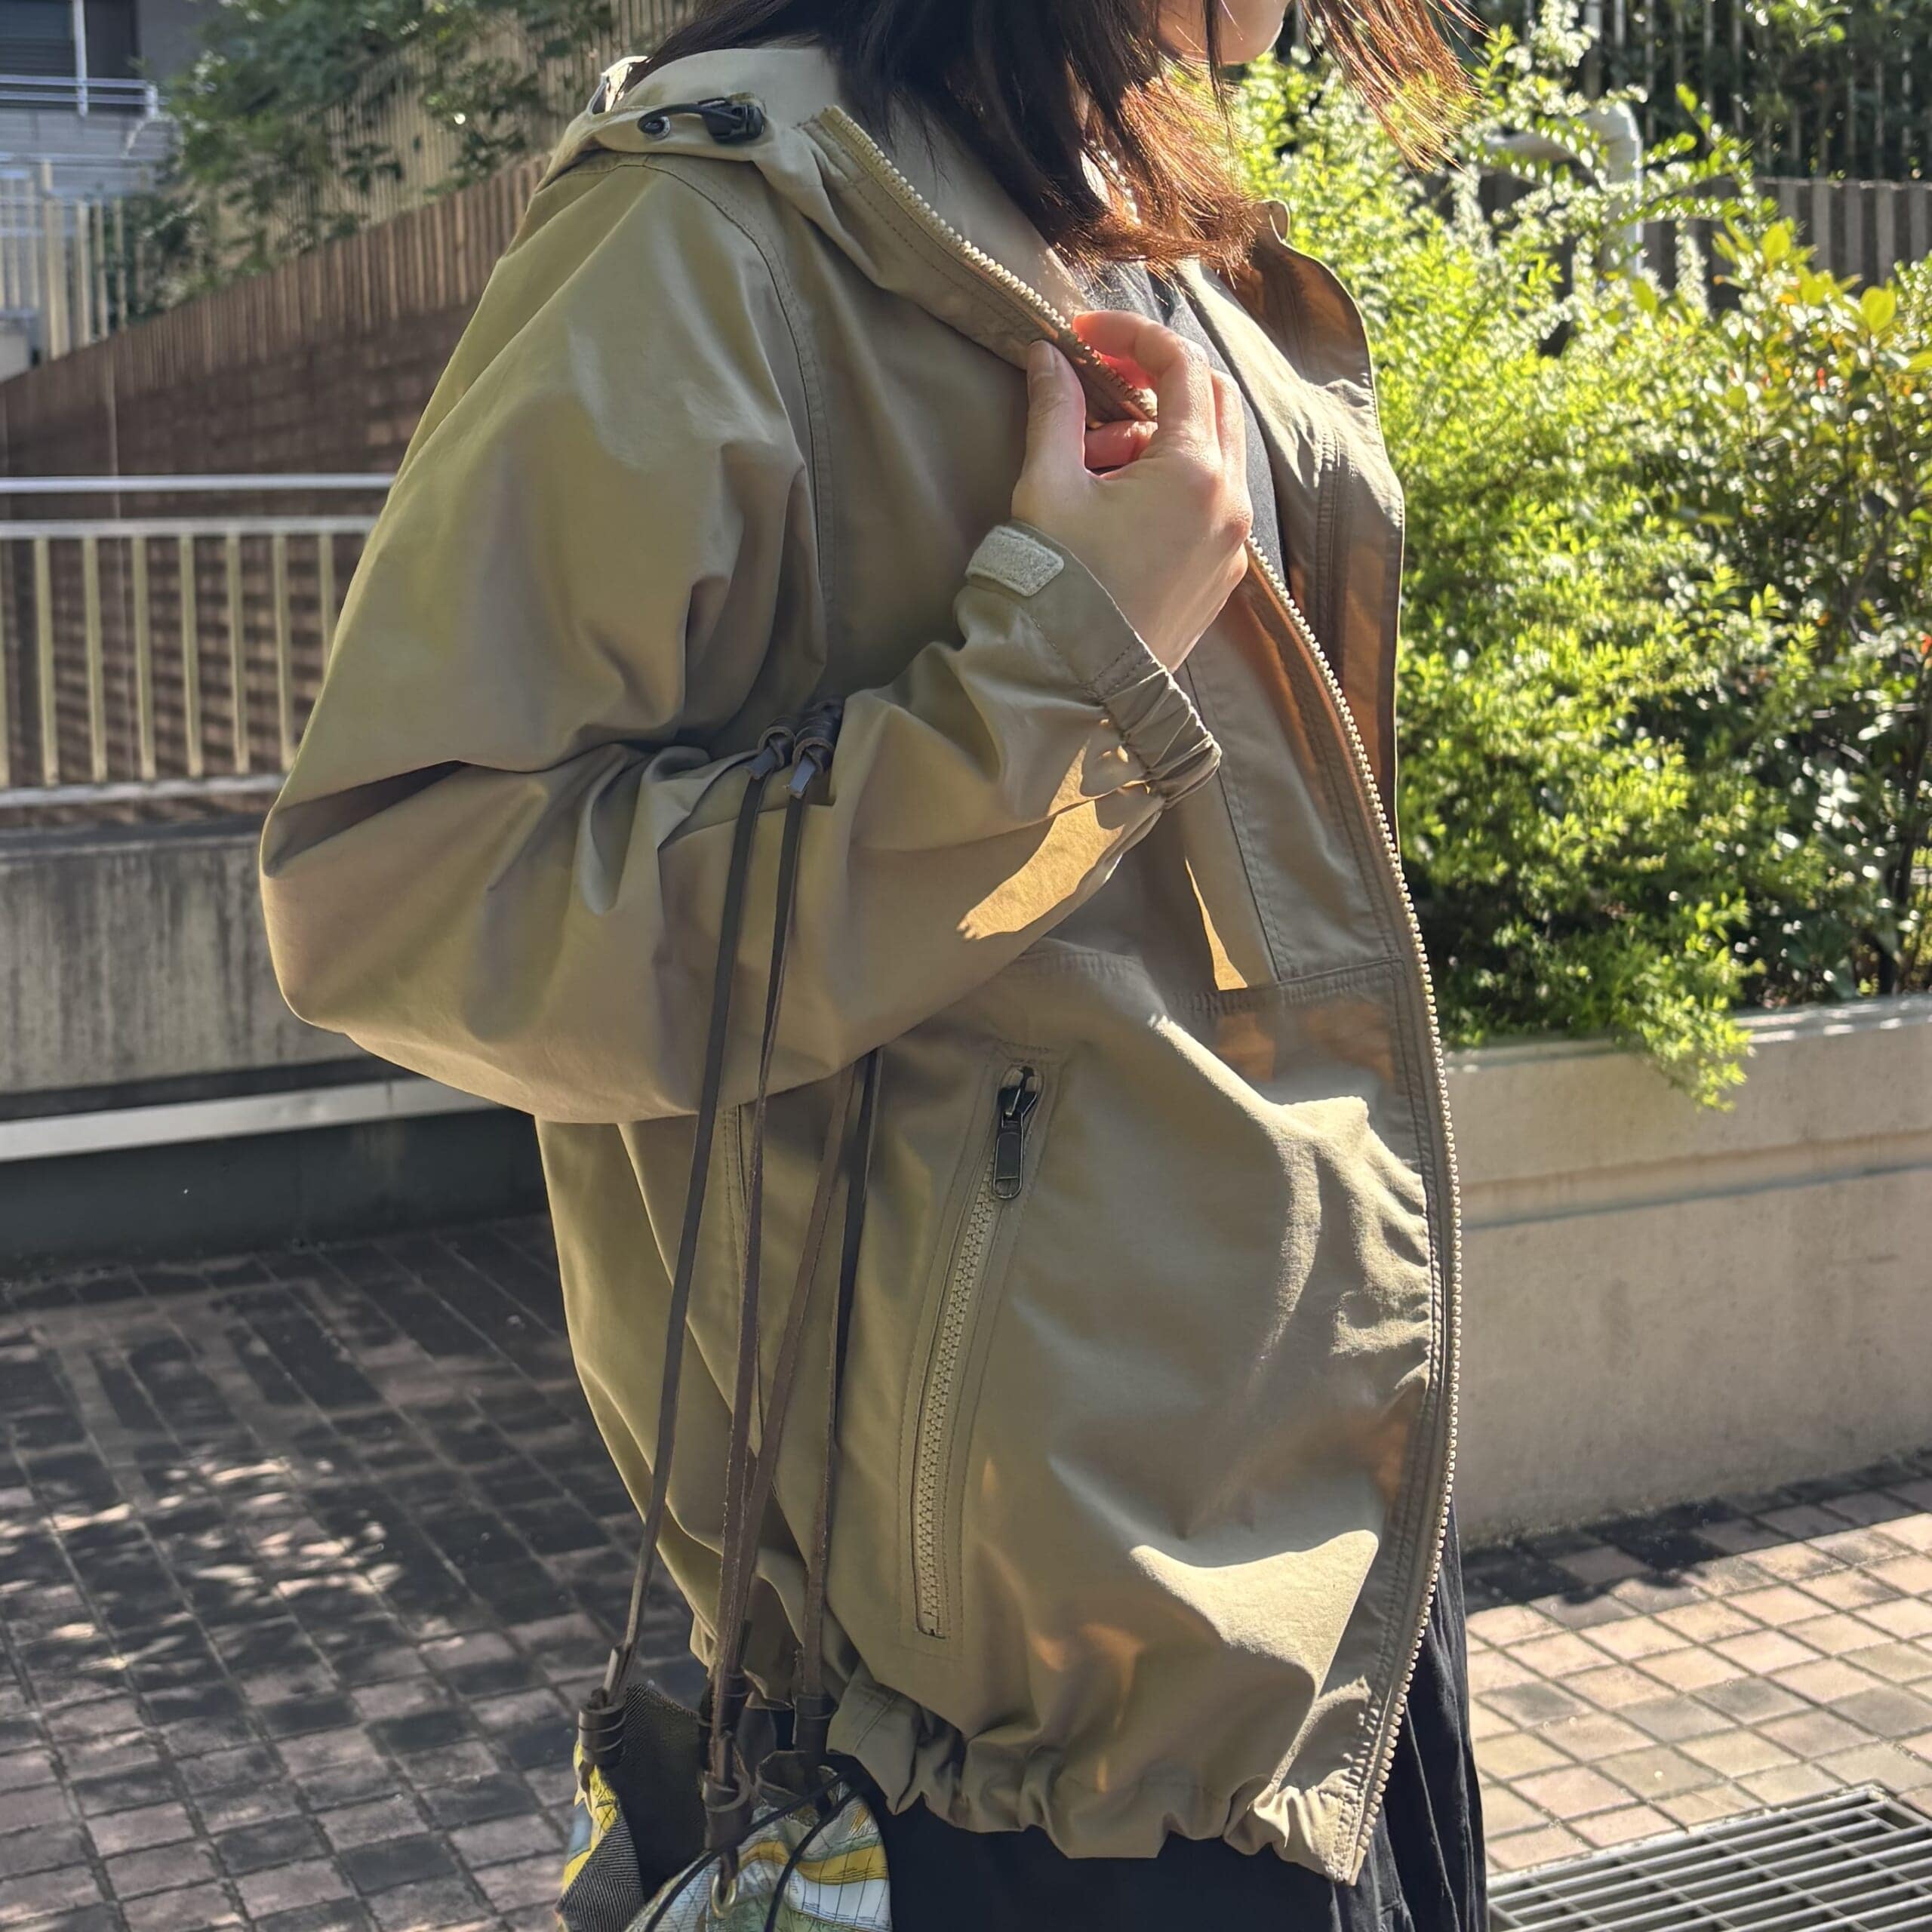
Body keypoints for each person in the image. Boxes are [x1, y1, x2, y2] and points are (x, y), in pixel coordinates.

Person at [260, 0, 1484, 1924]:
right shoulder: (715, 226)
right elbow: (399, 892)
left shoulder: (1136, 202)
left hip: (1330, 1568)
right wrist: (1058, 677)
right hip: (1007, 1728)